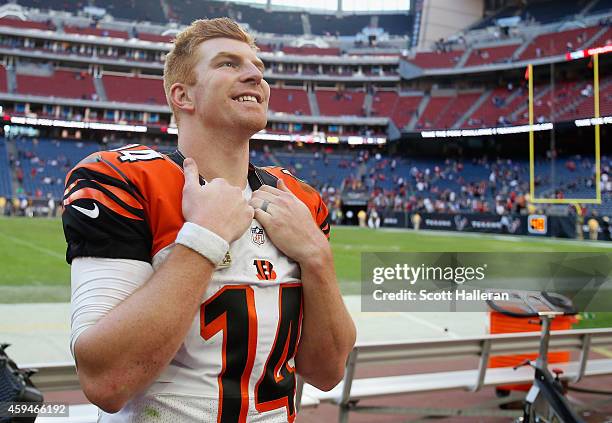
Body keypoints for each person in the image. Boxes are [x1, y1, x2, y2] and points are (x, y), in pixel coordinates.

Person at [62, 18, 356, 422]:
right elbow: (106, 382)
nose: (255, 74)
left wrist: (318, 259)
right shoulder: (131, 181)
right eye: (228, 64)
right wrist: (204, 238)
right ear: (183, 95)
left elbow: (326, 372)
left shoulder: (298, 201)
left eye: (257, 66)